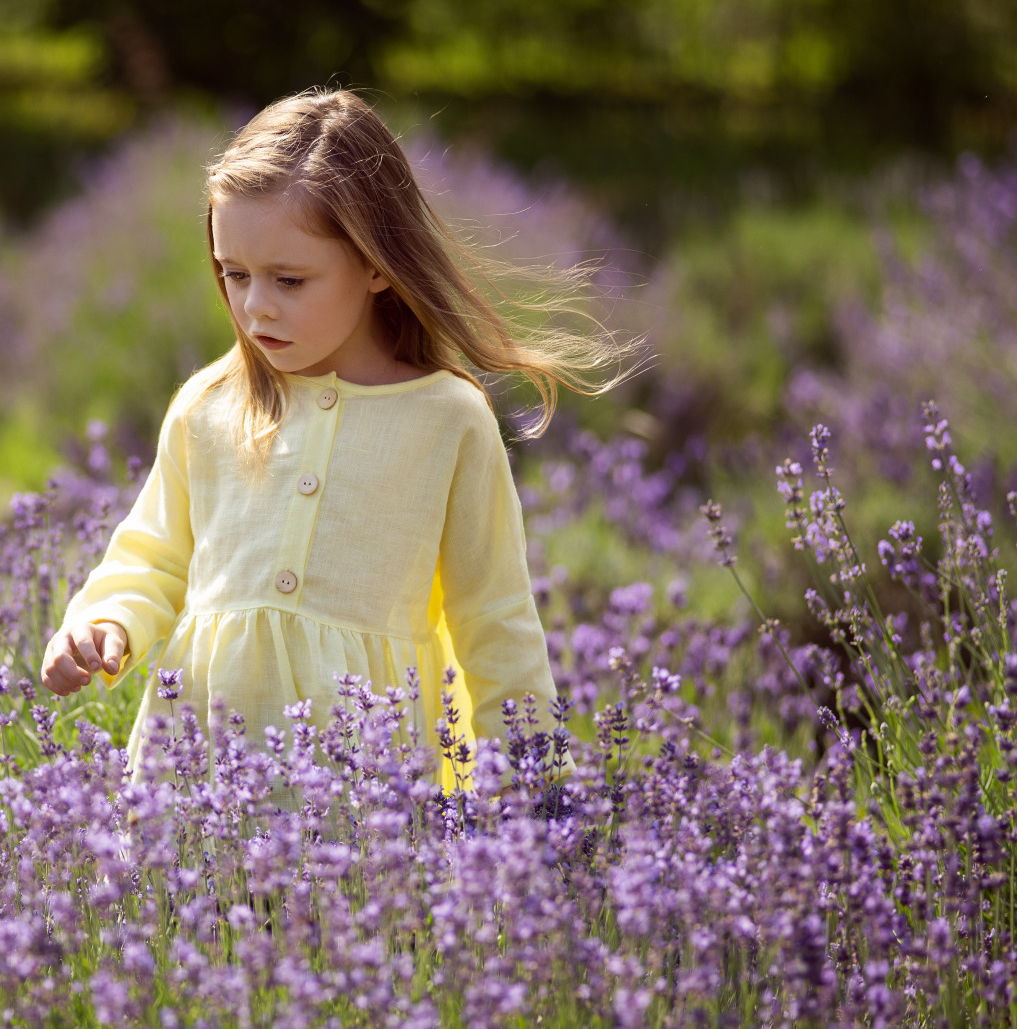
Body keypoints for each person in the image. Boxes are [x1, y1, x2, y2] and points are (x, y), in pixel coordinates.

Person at [40, 88, 631, 794]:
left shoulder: (448, 420)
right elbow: (154, 555)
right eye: (234, 274)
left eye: (290, 279)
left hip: (363, 794)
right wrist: (104, 622)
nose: (255, 305)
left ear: (377, 264)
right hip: (194, 780)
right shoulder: (210, 405)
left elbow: (494, 618)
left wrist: (532, 795)